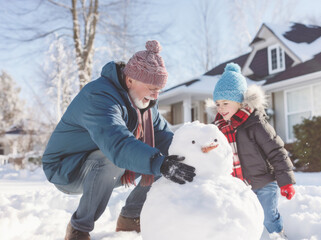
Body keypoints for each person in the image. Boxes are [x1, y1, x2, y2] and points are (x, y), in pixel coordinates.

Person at [41, 40, 196, 240]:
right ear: (130, 80)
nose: (155, 95)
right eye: (151, 87)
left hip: (104, 165)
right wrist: (160, 163)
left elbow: (165, 138)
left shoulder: (146, 103)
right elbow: (117, 143)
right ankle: (78, 229)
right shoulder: (99, 96)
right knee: (124, 158)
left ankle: (131, 217)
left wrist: (191, 153)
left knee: (167, 157)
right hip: (67, 169)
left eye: (158, 89)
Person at [212, 63, 296, 240]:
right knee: (243, 218)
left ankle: (278, 236)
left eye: (226, 103)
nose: (220, 108)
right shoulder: (218, 129)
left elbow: (276, 151)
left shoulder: (256, 124)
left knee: (268, 217)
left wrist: (285, 181)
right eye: (218, 103)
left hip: (264, 183)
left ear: (241, 102)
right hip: (239, 187)